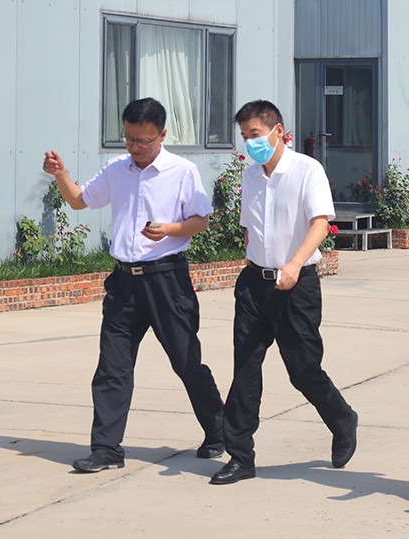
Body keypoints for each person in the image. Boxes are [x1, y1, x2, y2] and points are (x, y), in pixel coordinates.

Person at [42, 97, 225, 473]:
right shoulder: (116, 169)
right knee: (112, 365)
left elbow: (201, 220)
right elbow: (79, 201)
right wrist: (61, 174)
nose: (135, 147)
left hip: (167, 281)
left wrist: (171, 229)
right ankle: (106, 448)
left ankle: (219, 431)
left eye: (143, 140)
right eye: (128, 139)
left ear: (162, 135)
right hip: (124, 283)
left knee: (186, 362)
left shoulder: (182, 171)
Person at [209, 100, 358, 485]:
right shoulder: (251, 176)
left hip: (297, 286)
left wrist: (293, 264)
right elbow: (250, 228)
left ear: (278, 131)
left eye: (255, 135)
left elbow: (321, 224)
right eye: (245, 137)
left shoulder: (307, 170)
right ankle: (241, 456)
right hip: (254, 286)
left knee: (303, 370)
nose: (250, 144)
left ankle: (342, 419)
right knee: (245, 369)